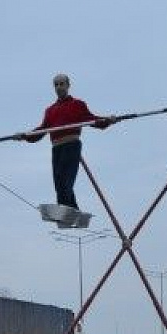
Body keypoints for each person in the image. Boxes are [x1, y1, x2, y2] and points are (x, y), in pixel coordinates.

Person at [18, 74, 115, 226]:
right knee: (59, 184)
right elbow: (41, 131)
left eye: (61, 84)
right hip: (56, 149)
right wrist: (25, 136)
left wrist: (108, 120)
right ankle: (73, 213)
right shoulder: (50, 110)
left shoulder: (78, 105)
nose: (59, 87)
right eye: (56, 85)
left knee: (65, 182)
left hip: (71, 146)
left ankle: (66, 215)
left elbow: (93, 120)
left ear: (68, 85)